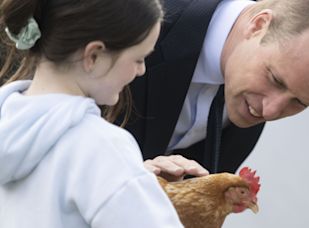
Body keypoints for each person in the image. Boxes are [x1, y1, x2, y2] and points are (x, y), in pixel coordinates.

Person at [127, 0, 309, 179]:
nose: (270, 112)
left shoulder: (254, 103)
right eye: (276, 80)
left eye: (299, 103)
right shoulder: (138, 18)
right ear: (258, 25)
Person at [0, 0, 184, 227]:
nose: (141, 70)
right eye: (138, 59)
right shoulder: (102, 147)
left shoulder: (7, 125)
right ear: (93, 56)